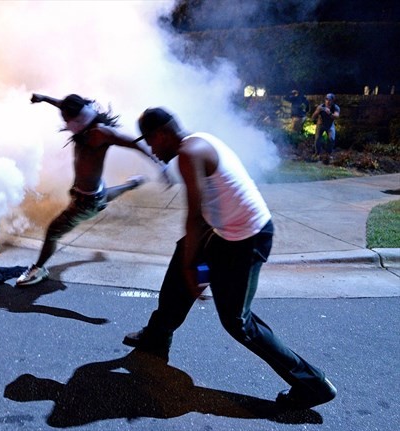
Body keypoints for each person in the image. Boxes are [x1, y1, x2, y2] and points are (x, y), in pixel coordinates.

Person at [122, 107, 337, 410]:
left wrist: (193, 269)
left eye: (151, 143)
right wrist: (191, 266)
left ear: (160, 135)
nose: (152, 151)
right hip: (224, 232)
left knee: (238, 322)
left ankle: (312, 384)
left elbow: (194, 216)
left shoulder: (189, 153)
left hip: (247, 240)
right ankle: (158, 336)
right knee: (182, 264)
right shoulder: (197, 141)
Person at [16, 93, 168, 286]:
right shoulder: (80, 120)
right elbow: (62, 104)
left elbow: (132, 142)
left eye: (67, 119)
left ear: (79, 119)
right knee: (103, 197)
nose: (65, 122)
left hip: (86, 201)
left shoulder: (99, 133)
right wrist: (43, 98)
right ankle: (133, 183)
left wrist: (159, 164)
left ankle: (38, 269)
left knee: (53, 231)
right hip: (91, 192)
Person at [312, 93, 340, 162]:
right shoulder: (321, 106)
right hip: (320, 125)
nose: (327, 101)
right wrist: (318, 111)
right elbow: (313, 117)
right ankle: (317, 154)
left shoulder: (335, 107)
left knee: (331, 139)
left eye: (329, 100)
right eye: (326, 99)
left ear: (332, 101)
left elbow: (336, 116)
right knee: (317, 139)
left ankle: (328, 154)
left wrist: (330, 113)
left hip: (330, 125)